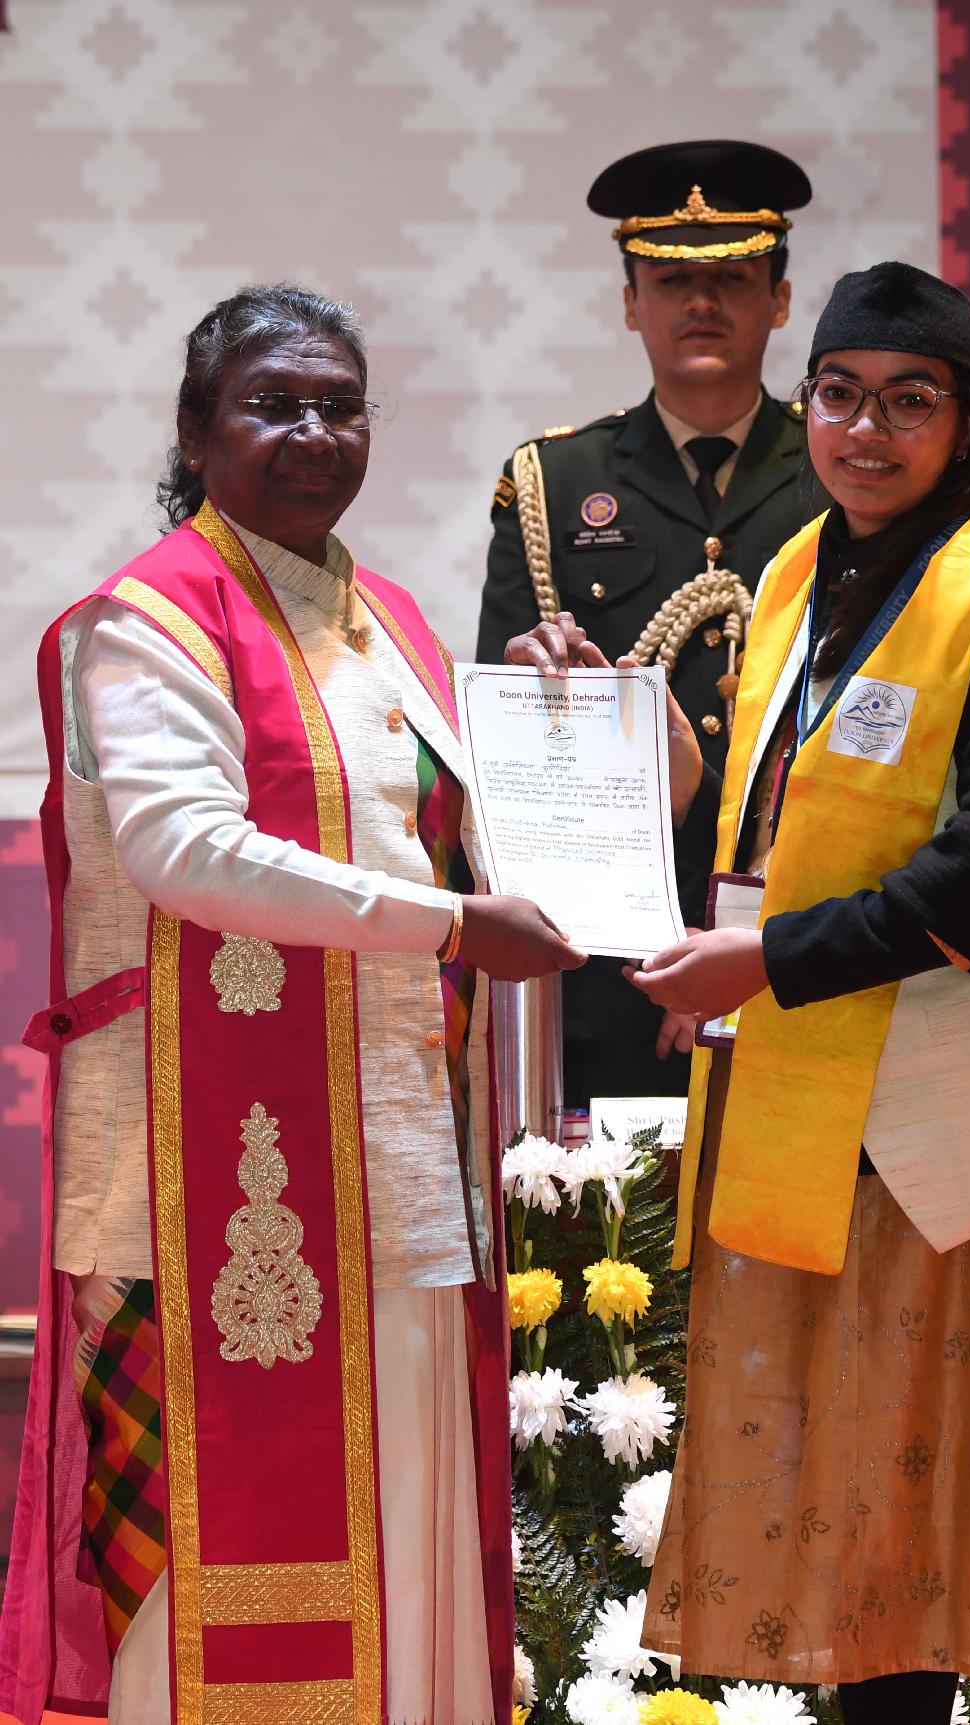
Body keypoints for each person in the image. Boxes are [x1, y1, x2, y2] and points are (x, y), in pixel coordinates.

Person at [512, 263, 970, 1723]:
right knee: (868, 1562)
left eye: (908, 402)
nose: (867, 431)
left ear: (968, 420)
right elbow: (773, 810)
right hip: (818, 1124)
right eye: (842, 396)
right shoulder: (805, 567)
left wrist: (763, 963)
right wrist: (602, 711)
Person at [0, 284, 584, 1725]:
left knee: (405, 1524)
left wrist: (572, 722)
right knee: (208, 1552)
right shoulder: (150, 618)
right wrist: (455, 925)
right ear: (197, 431)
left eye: (341, 405)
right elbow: (184, 851)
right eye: (274, 404)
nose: (314, 433)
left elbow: (464, 838)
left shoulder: (390, 621)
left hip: (393, 1161)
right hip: (203, 1173)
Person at [477, 138, 816, 1107]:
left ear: (779, 300)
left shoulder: (839, 478)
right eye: (670, 282)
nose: (701, 303)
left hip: (794, 948)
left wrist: (747, 933)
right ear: (630, 302)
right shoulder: (555, 483)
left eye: (733, 280)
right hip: (610, 961)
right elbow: (510, 756)